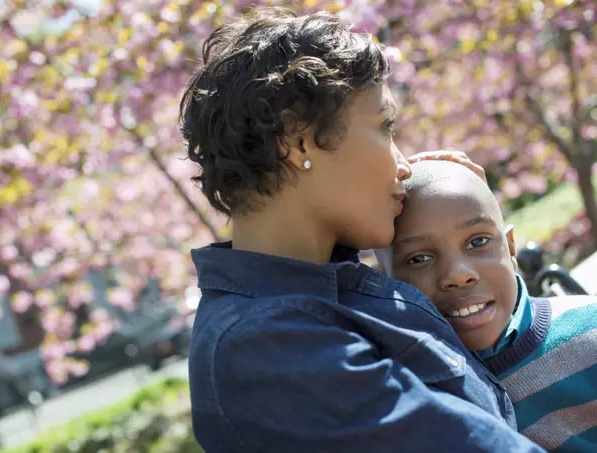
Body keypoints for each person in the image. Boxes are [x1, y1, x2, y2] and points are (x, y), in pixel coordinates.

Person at [180, 8, 546, 453]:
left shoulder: (326, 290)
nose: (405, 163)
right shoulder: (264, 350)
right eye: (385, 127)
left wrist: (439, 203)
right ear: (299, 142)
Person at [375, 160, 597, 452]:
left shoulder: (589, 332)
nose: (457, 274)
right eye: (419, 259)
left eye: (477, 241)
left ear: (511, 247)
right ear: (386, 283)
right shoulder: (411, 393)